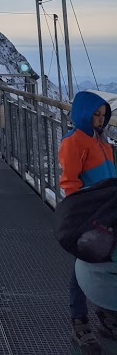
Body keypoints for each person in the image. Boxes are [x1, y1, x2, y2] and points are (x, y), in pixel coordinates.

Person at [58, 91, 117, 351]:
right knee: (82, 266)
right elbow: (69, 183)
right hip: (89, 216)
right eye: (96, 113)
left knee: (104, 262)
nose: (100, 119)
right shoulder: (74, 142)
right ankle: (79, 322)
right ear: (84, 113)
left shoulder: (102, 141)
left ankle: (106, 314)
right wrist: (82, 218)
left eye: (103, 114)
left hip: (107, 213)